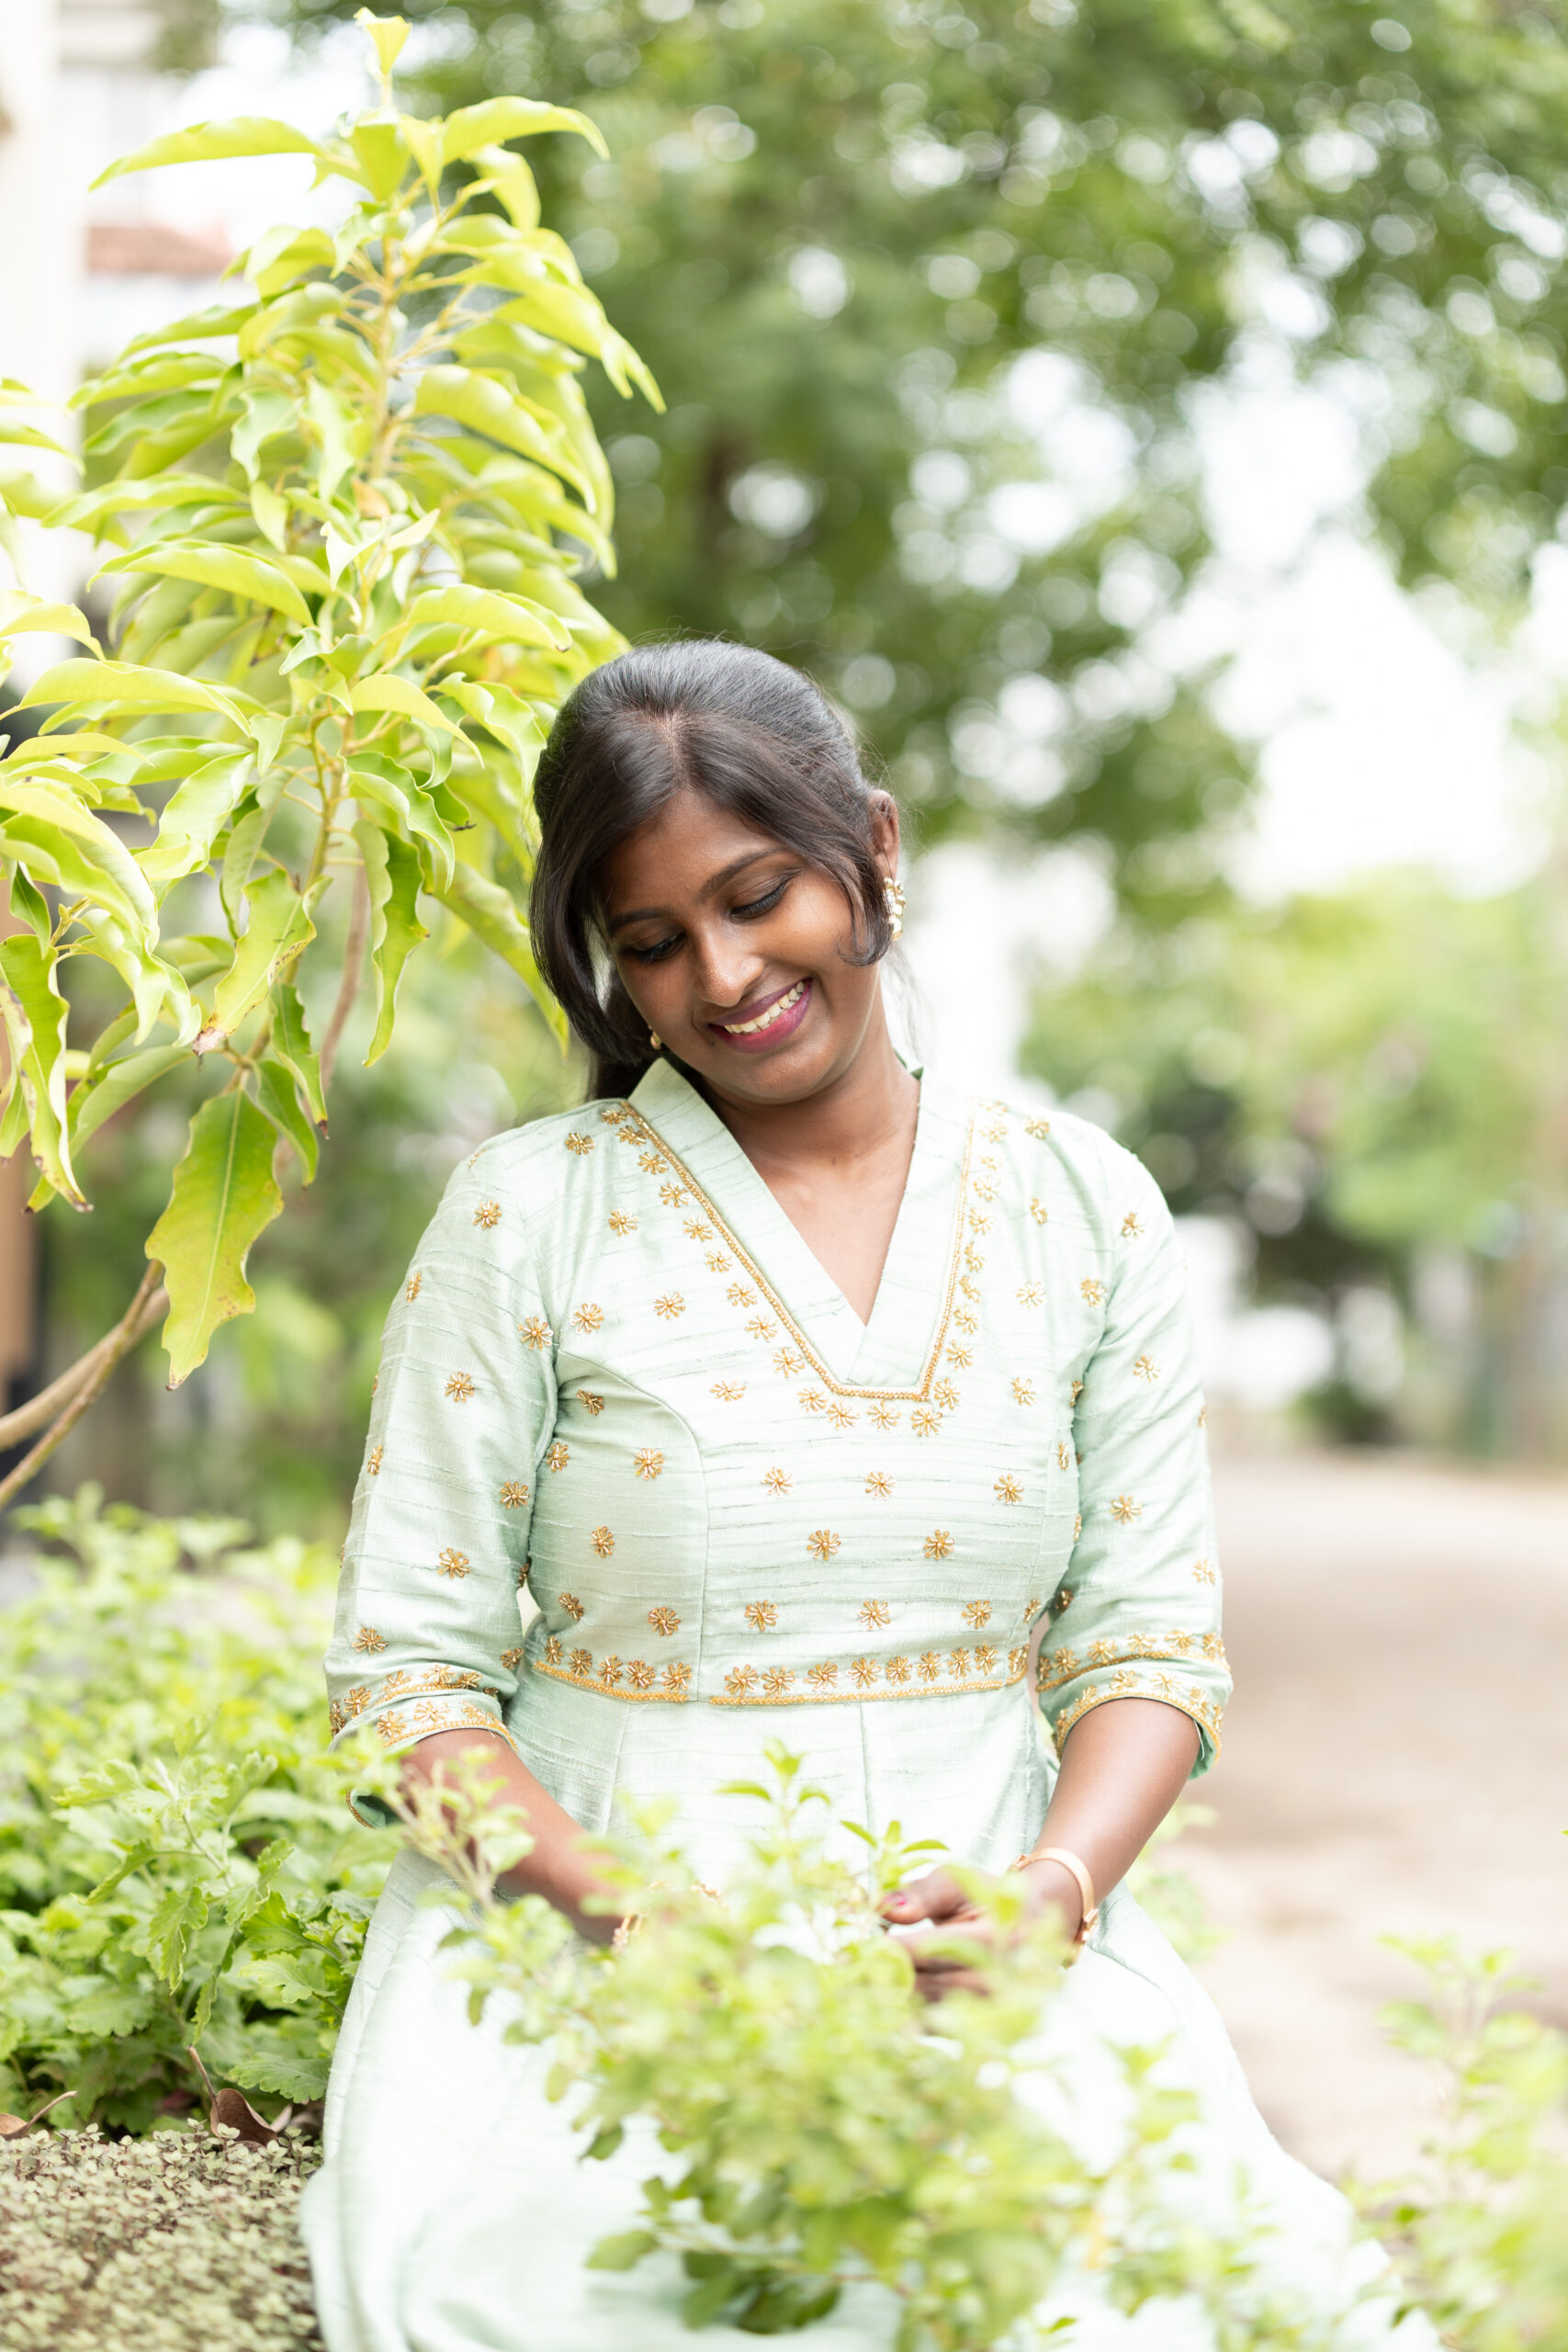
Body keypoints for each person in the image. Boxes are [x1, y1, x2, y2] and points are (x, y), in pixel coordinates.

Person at [302, 641, 1427, 2350]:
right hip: (585, 1980)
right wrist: (639, 1923)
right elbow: (408, 1680)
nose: (725, 976)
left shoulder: (1080, 1208)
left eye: (760, 897)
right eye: (653, 941)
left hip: (1004, 1975)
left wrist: (1051, 1898)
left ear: (875, 850)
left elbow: (1148, 1646)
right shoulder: (533, 1215)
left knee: (1213, 2305)